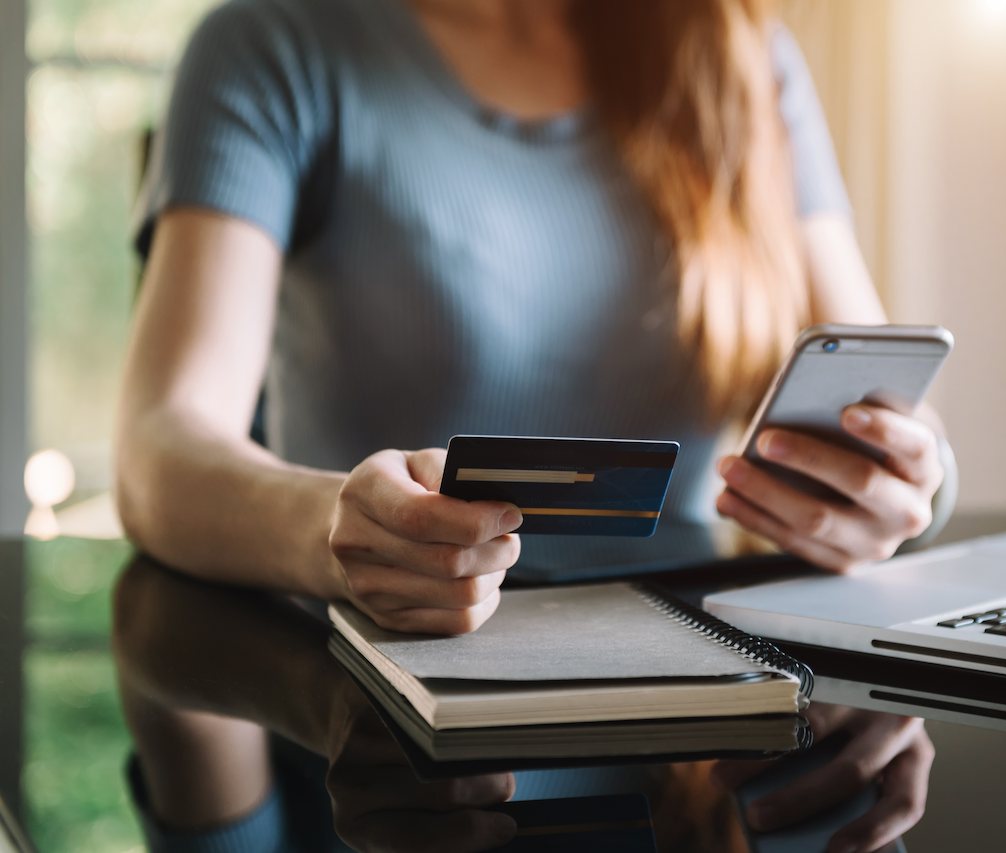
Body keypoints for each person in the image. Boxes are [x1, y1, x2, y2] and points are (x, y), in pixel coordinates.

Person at [116, 0, 945, 848]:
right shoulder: (273, 45)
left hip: (695, 720)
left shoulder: (747, 55)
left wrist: (912, 482)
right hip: (380, 733)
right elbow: (160, 449)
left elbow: (882, 400)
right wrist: (336, 530)